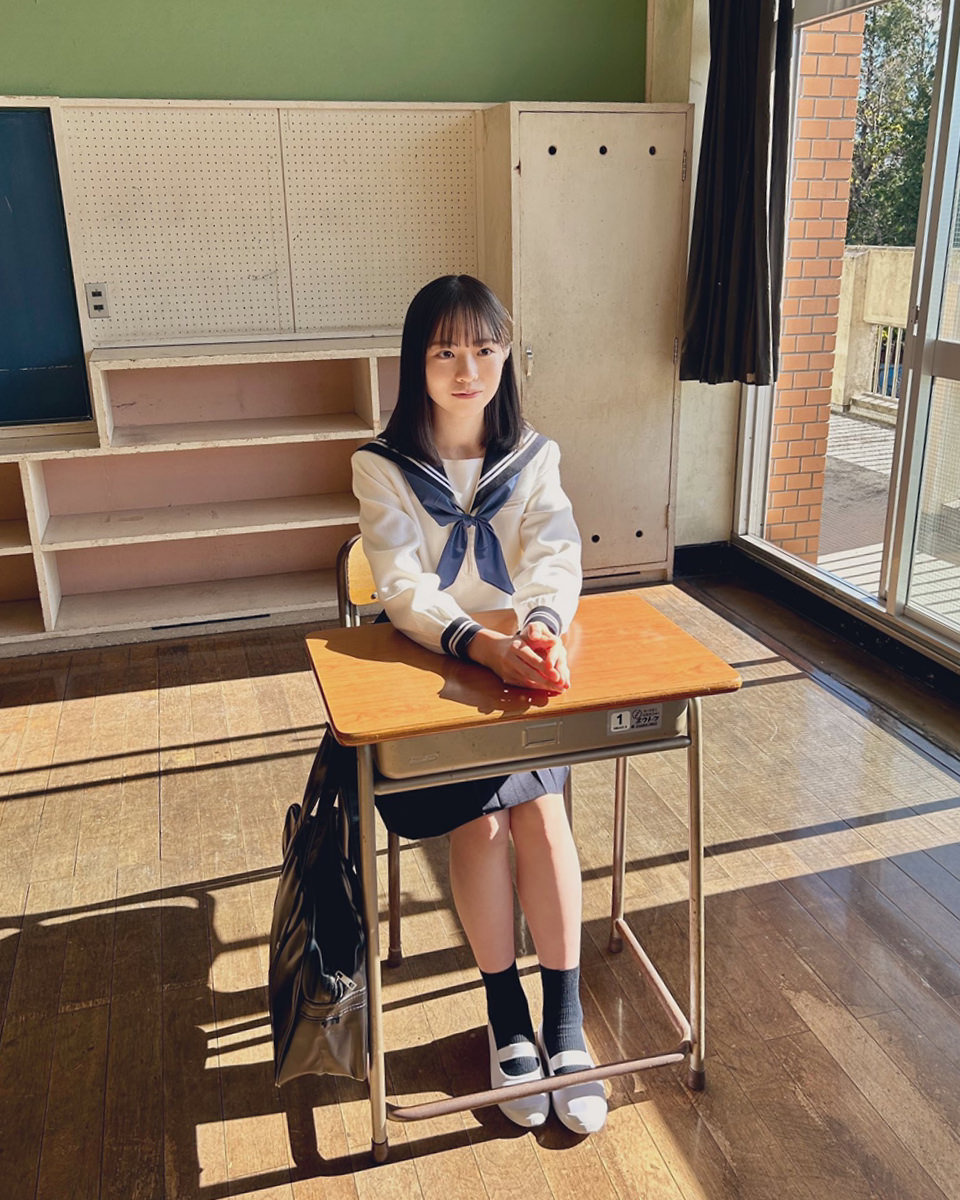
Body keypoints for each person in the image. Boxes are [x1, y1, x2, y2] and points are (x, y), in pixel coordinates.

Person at [351, 274, 606, 1135]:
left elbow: (555, 557)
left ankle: (563, 1021)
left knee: (540, 812)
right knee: (487, 819)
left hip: (520, 671)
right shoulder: (381, 466)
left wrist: (539, 630)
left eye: (485, 349)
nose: (468, 371)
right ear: (415, 362)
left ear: (506, 357)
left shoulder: (535, 457)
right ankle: (508, 1015)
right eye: (446, 352)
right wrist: (483, 646)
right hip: (430, 672)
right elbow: (400, 587)